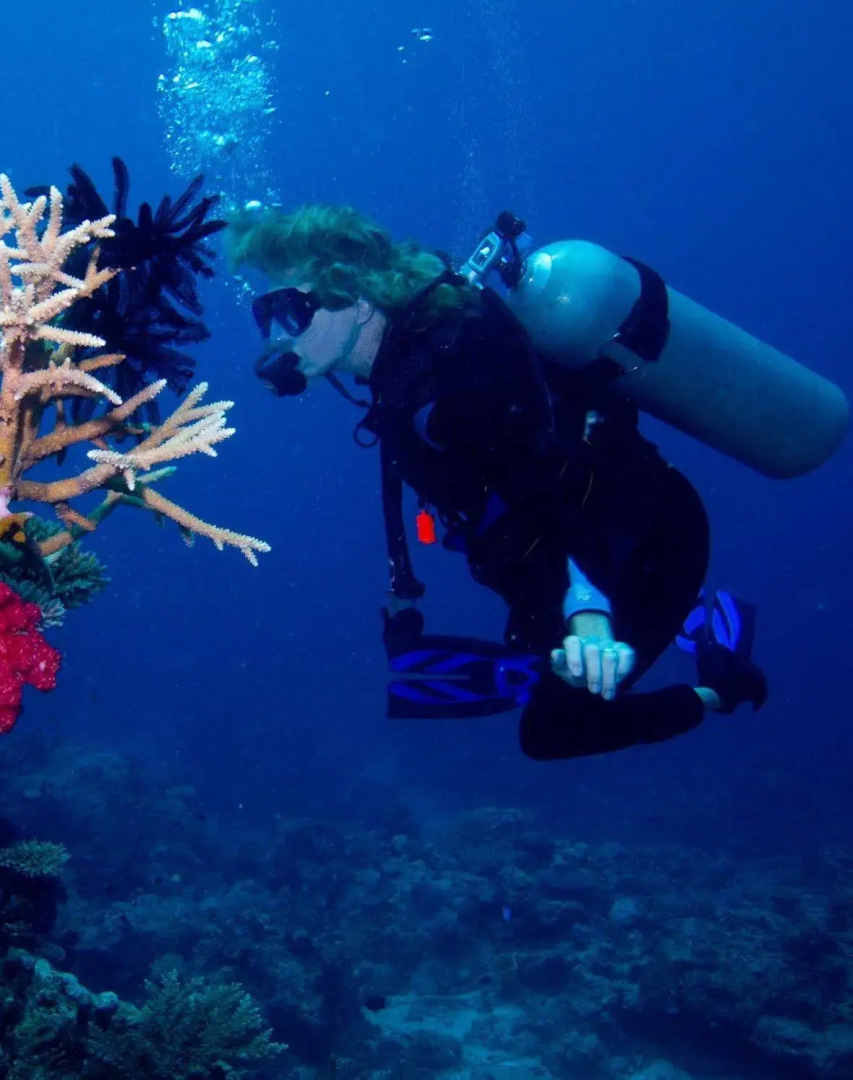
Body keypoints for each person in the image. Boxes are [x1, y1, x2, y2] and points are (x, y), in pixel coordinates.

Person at [229, 204, 769, 761]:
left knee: (553, 731)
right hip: (576, 553)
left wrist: (588, 614)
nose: (277, 335)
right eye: (265, 311)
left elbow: (554, 484)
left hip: (643, 546)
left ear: (361, 301)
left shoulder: (450, 383)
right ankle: (686, 619)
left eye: (292, 309)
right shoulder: (405, 365)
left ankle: (721, 686)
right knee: (538, 655)